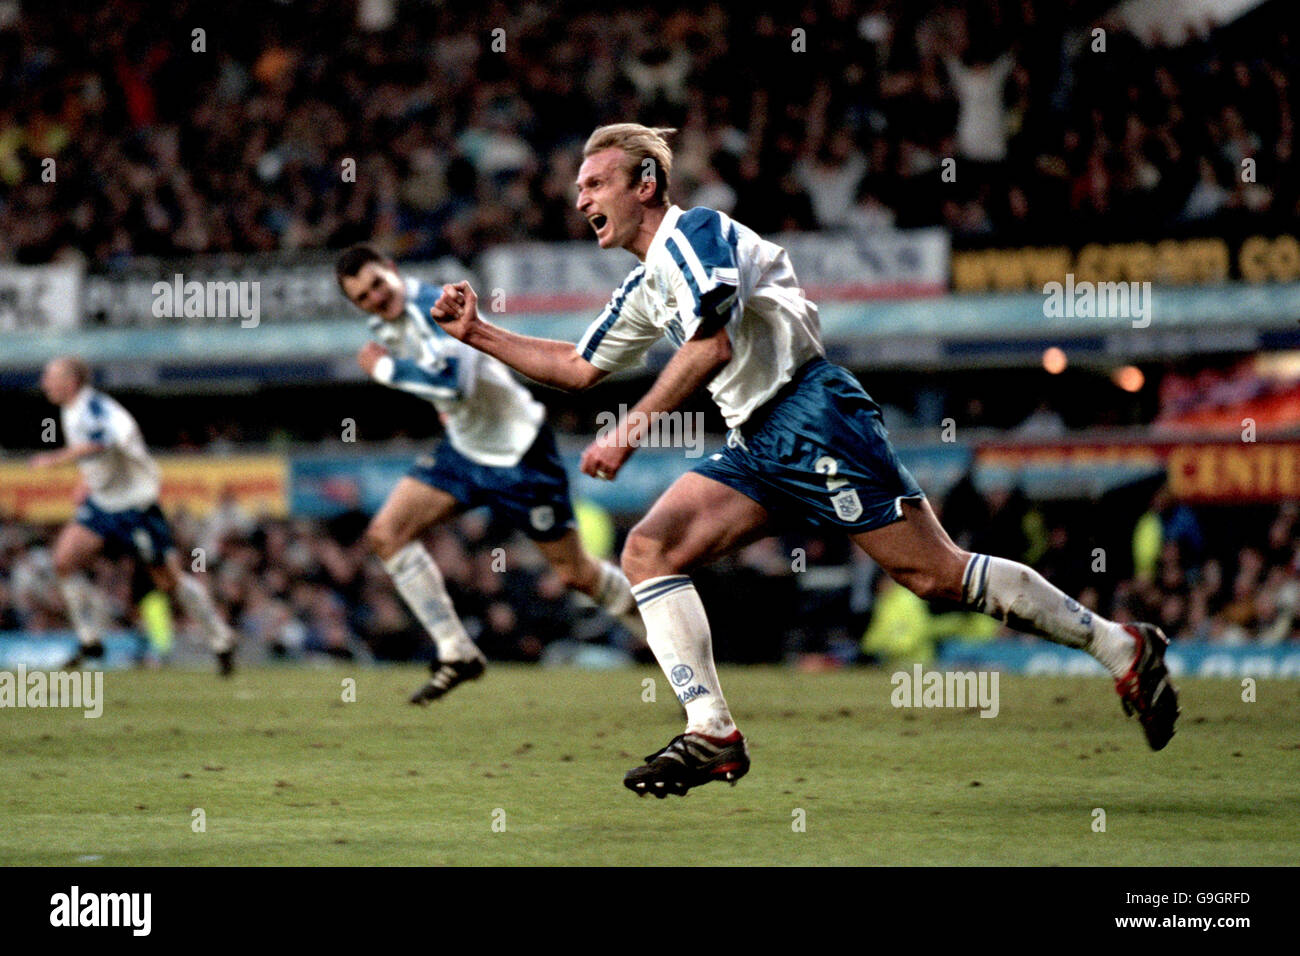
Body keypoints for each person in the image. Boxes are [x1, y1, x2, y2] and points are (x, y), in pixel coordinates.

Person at [426, 124, 1180, 797]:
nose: (580, 197)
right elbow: (579, 366)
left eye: (595, 183)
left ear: (644, 184)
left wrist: (632, 429)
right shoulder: (648, 282)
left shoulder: (697, 235)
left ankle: (1122, 644)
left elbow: (711, 345)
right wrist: (479, 333)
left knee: (931, 574)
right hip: (758, 440)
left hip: (812, 413)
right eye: (578, 186)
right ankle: (712, 728)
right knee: (649, 548)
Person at [335, 245, 645, 703]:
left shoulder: (436, 307)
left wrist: (383, 369)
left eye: (378, 284)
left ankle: (668, 642)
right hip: (464, 451)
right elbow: (447, 390)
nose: (376, 298)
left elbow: (452, 382)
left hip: (520, 453)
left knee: (576, 573)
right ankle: (457, 651)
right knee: (386, 534)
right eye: (363, 297)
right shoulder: (385, 325)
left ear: (394, 271)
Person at [31, 356, 238, 675]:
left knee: (169, 582)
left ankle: (220, 637)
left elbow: (102, 443)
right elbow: (102, 456)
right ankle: (90, 640)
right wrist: (86, 483)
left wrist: (55, 459)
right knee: (63, 560)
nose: (44, 382)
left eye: (50, 376)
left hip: (135, 507)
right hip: (102, 504)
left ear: (70, 383)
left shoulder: (96, 409)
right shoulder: (71, 410)